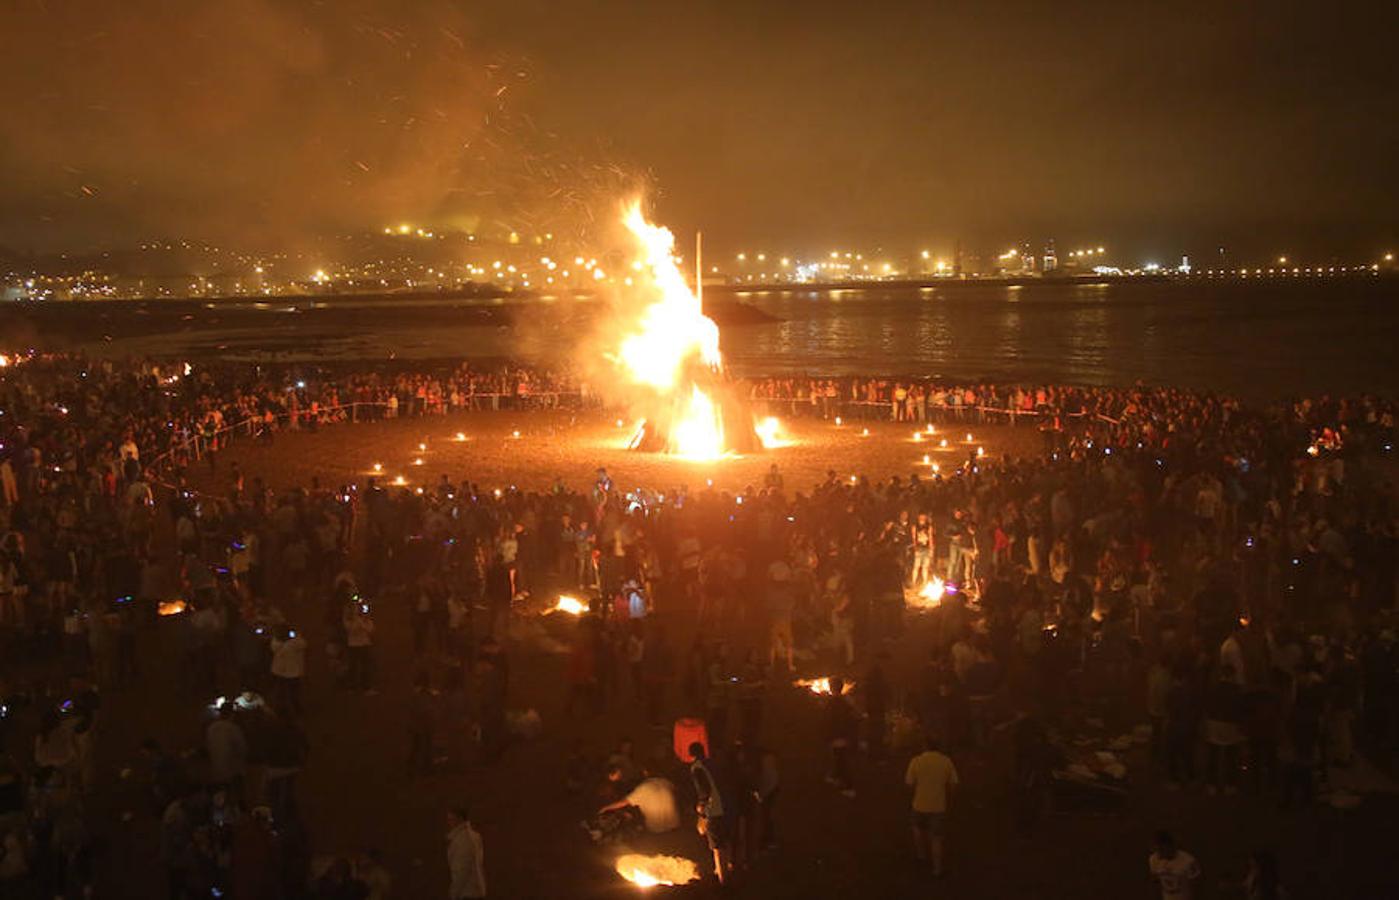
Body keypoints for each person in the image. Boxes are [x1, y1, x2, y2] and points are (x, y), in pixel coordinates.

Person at [905, 734, 958, 876]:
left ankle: (921, 854)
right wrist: (949, 798)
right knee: (936, 838)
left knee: (917, 828)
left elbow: (909, 784)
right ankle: (937, 869)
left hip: (919, 803)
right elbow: (953, 784)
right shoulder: (946, 761)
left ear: (924, 746)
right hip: (938, 805)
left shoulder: (916, 761)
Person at [689, 742, 731, 885]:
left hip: (713, 810)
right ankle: (725, 871)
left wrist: (701, 809)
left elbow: (704, 791)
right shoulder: (714, 763)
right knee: (724, 843)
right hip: (727, 807)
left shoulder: (696, 768)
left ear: (691, 755)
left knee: (717, 846)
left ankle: (723, 881)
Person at [445, 805, 486, 900]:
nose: (449, 823)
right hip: (473, 890)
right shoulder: (475, 837)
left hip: (467, 892)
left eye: (451, 819)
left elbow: (462, 870)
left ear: (459, 819)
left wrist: (454, 893)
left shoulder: (462, 840)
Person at [1149, 830, 1200, 900]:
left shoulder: (1188, 861)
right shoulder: (1154, 859)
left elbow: (1196, 886)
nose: (1158, 854)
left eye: (1161, 849)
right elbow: (1155, 881)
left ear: (1170, 846)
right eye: (1157, 850)